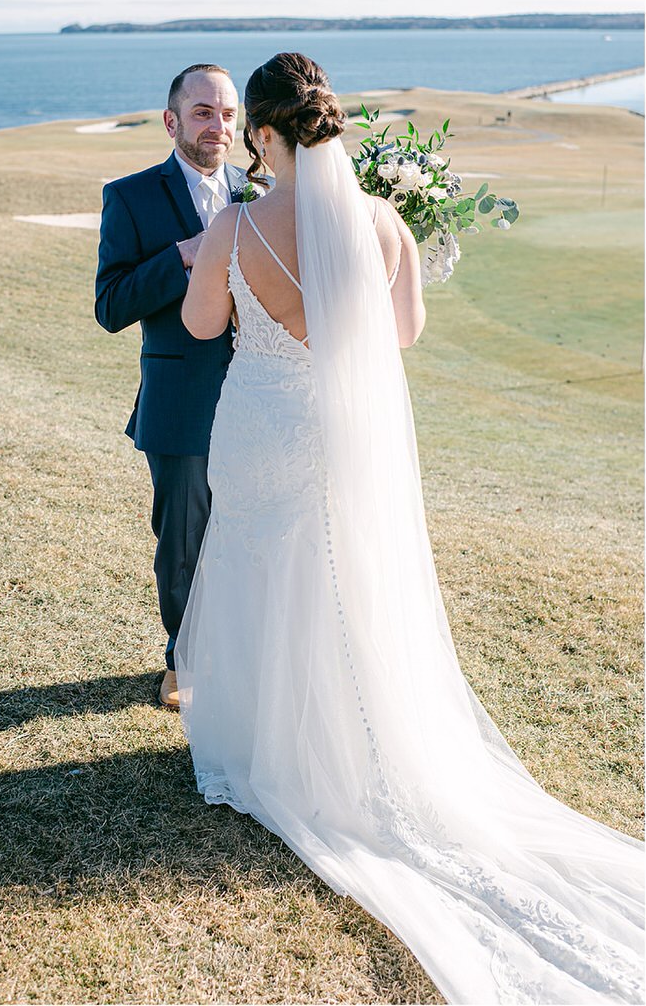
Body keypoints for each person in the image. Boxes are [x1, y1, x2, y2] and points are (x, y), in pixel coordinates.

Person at [175, 53, 644, 1004]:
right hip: (349, 432)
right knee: (349, 576)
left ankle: (276, 743)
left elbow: (199, 327)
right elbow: (403, 335)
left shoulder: (235, 224)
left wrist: (205, 266)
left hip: (262, 427)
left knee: (264, 571)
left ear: (261, 133)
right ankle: (360, 738)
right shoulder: (384, 222)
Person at [94, 64, 254, 710]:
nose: (218, 126)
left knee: (249, 533)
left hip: (257, 396)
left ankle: (242, 653)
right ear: (171, 121)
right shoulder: (130, 196)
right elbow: (110, 305)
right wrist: (182, 256)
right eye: (203, 112)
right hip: (179, 401)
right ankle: (183, 661)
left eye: (228, 114)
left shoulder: (258, 191)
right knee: (184, 541)